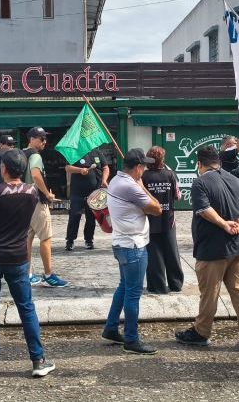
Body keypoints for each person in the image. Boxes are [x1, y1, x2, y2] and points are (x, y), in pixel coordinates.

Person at [0, 148, 55, 381]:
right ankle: (38, 360)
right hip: (18, 258)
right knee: (26, 307)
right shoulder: (32, 192)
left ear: (4, 169)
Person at [175, 146, 239, 351]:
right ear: (219, 162)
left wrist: (223, 224)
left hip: (213, 248)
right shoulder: (236, 180)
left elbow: (204, 210)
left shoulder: (200, 182)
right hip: (238, 246)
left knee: (210, 293)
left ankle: (201, 332)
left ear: (199, 164)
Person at [101, 148, 162, 355]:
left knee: (124, 287)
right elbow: (157, 209)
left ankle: (110, 328)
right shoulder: (131, 186)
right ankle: (131, 339)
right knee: (133, 293)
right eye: (143, 166)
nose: (145, 169)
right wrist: (143, 187)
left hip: (122, 243)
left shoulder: (117, 181)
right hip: (133, 246)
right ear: (137, 168)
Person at [23, 127, 67, 288]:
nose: (44, 142)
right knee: (46, 238)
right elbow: (35, 174)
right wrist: (47, 194)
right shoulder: (35, 155)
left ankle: (27, 274)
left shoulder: (21, 154)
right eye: (42, 139)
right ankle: (48, 275)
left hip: (23, 201)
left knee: (27, 239)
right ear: (32, 139)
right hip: (36, 202)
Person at [141, 146, 184, 294]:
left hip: (150, 220)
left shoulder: (144, 177)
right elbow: (178, 196)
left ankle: (157, 286)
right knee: (172, 252)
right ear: (161, 160)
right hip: (169, 220)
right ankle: (176, 284)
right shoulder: (170, 174)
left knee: (154, 254)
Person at [65, 147, 109, 251]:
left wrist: (104, 180)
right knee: (75, 216)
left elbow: (105, 167)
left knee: (91, 217)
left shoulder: (97, 151)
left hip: (94, 192)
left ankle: (89, 240)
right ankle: (70, 241)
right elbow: (67, 168)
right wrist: (80, 170)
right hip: (77, 192)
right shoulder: (74, 151)